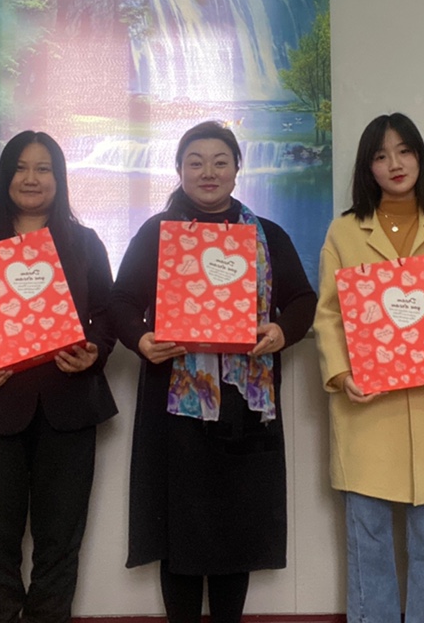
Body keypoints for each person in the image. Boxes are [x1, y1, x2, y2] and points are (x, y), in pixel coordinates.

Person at [110, 120, 316, 623]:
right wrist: (142, 339)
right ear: (179, 169)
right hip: (175, 406)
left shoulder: (267, 235)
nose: (208, 172)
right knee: (178, 530)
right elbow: (120, 301)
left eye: (220, 161)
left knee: (235, 529)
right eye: (196, 162)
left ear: (237, 168)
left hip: (245, 409)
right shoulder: (158, 234)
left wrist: (282, 331)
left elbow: (302, 300)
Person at [312, 112, 424, 623]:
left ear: (420, 157)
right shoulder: (344, 231)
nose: (394, 163)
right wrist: (341, 375)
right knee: (368, 544)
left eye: (404, 151)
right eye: (380, 155)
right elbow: (328, 315)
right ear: (367, 167)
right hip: (368, 408)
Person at [0, 130, 118, 623]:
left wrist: (95, 352)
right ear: (5, 176)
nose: (31, 178)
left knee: (60, 547)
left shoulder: (84, 243)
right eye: (20, 167)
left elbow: (106, 314)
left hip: (68, 411)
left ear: (59, 178)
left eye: (43, 169)